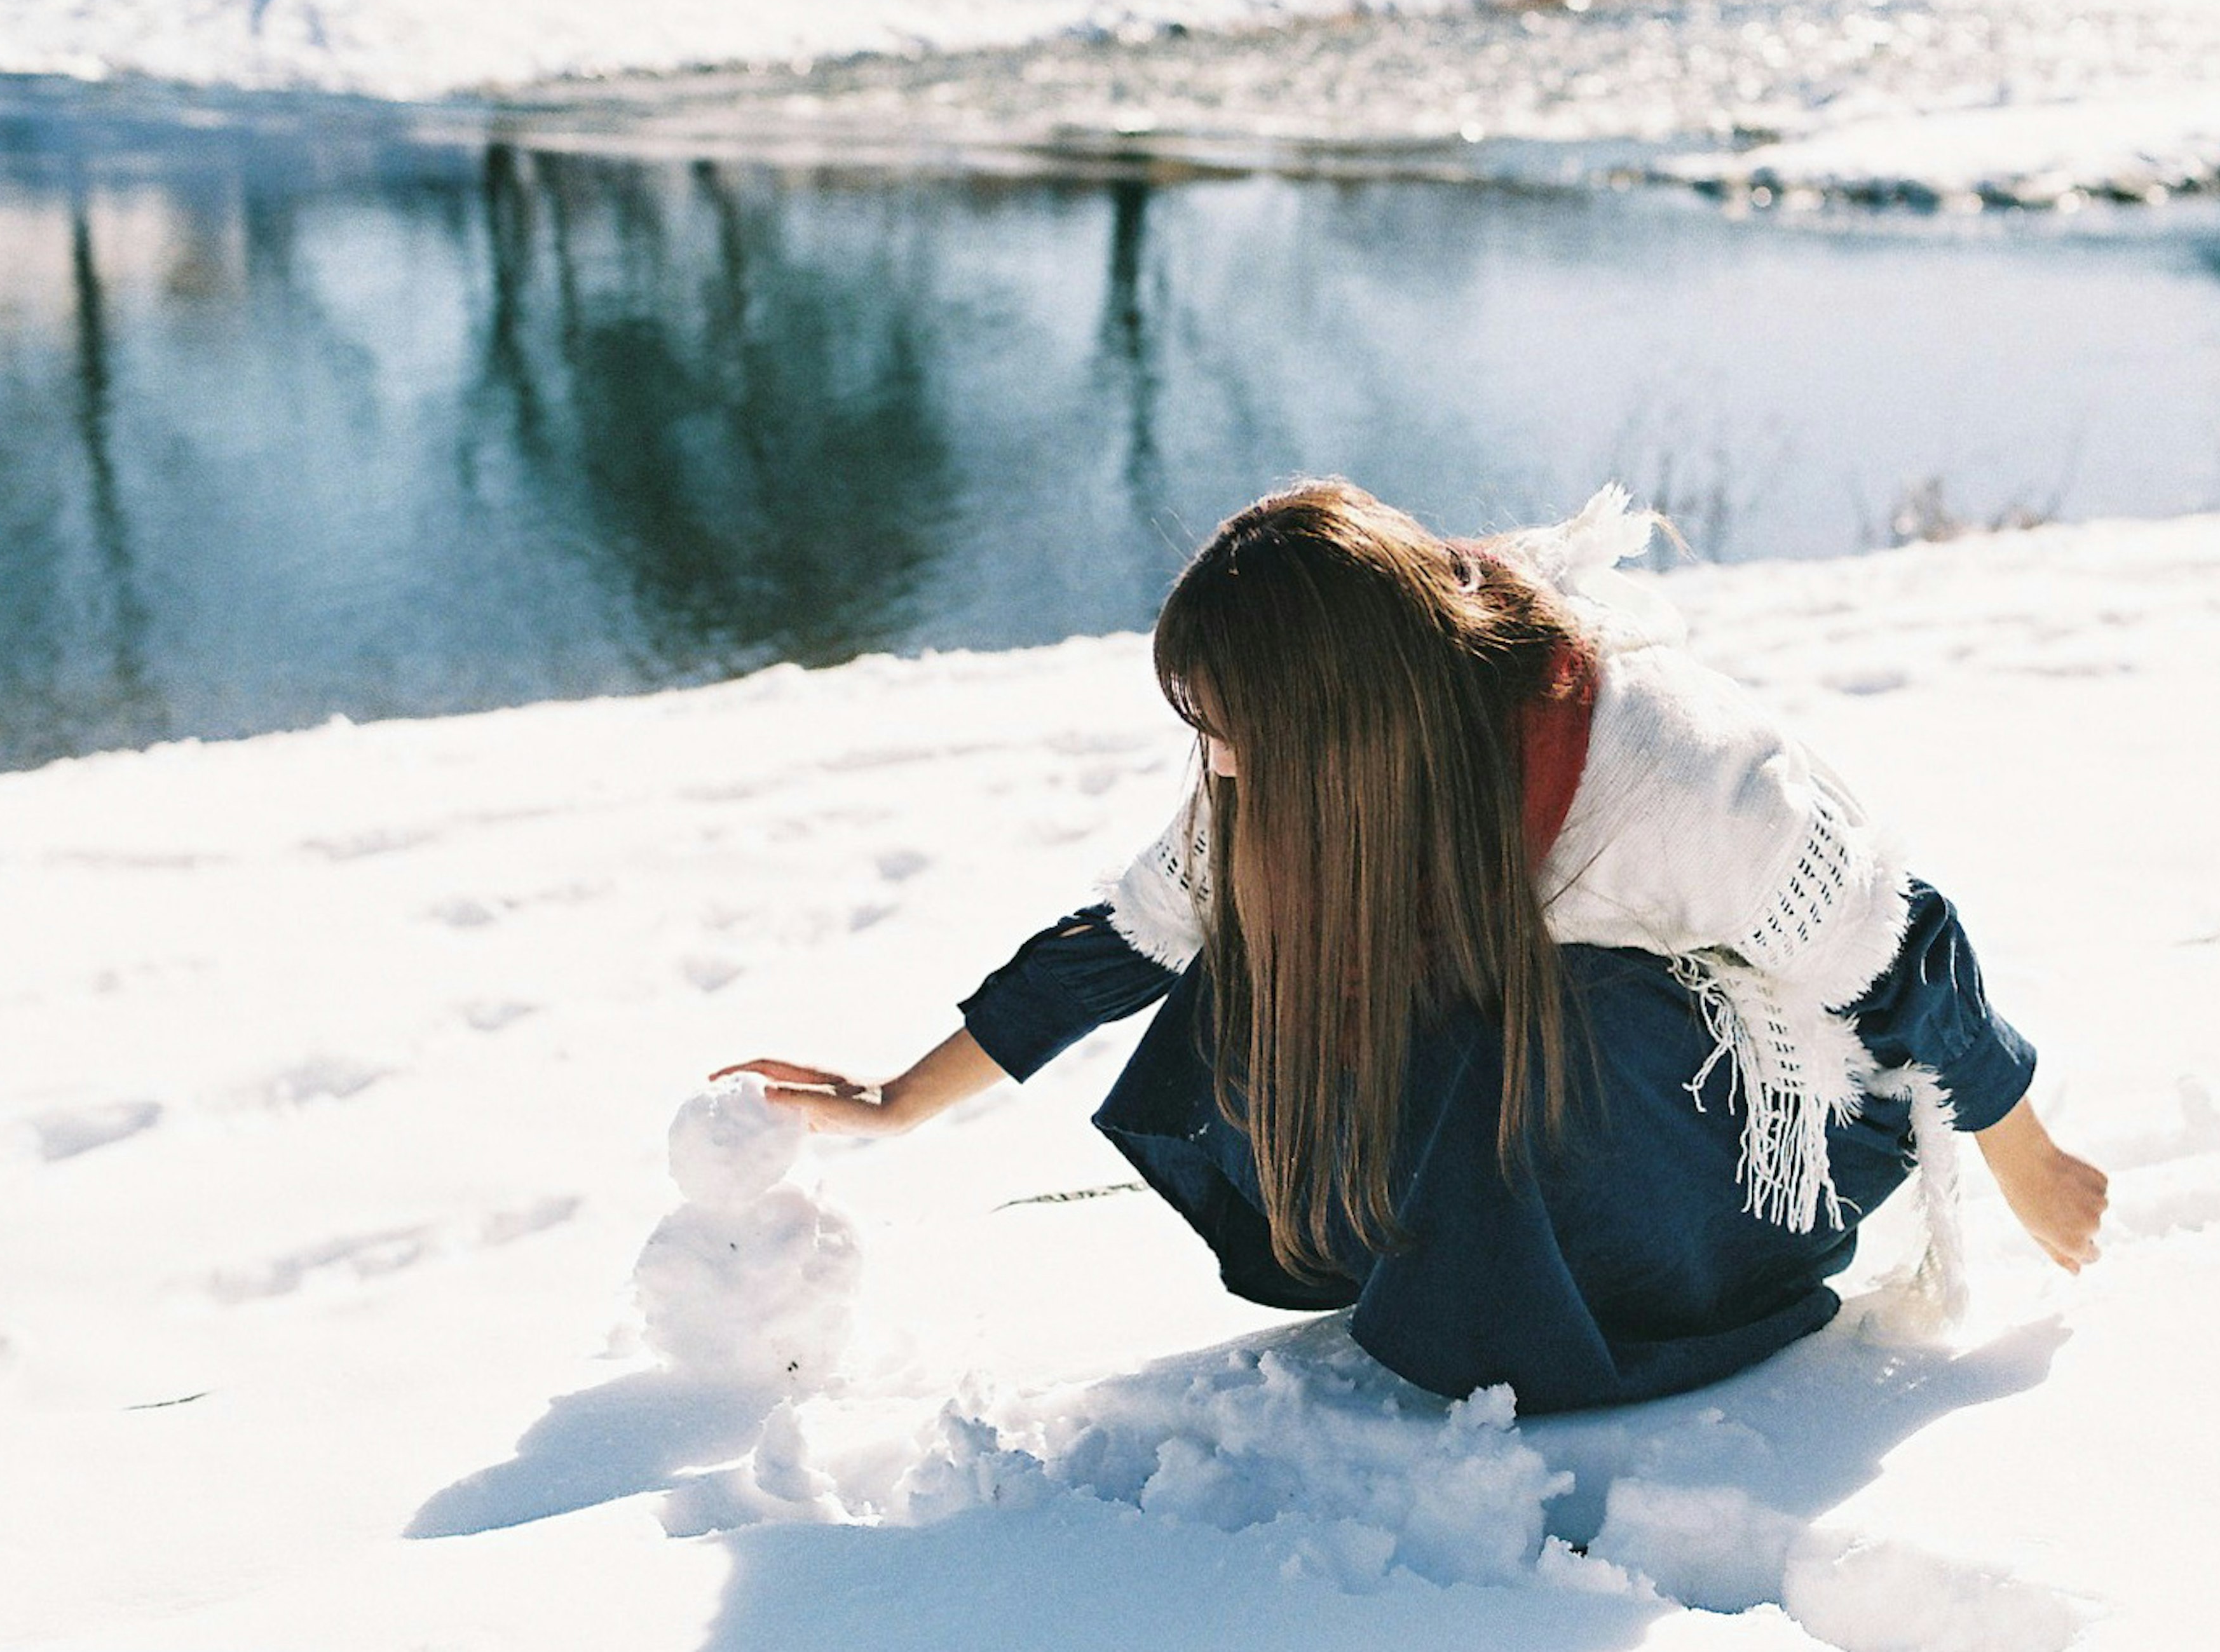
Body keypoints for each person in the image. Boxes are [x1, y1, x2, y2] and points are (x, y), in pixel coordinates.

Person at [712, 480, 2108, 1414]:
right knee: (1262, 942)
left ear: (1344, 712)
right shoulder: (1303, 782)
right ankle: (1421, 1255)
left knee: (1563, 1003)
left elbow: (1908, 947)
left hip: (1750, 1145)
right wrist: (899, 1100)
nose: (1221, 757)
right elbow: (1127, 943)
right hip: (1574, 1107)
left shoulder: (1673, 768)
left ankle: (1597, 1319)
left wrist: (2029, 1163)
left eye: (1231, 721)